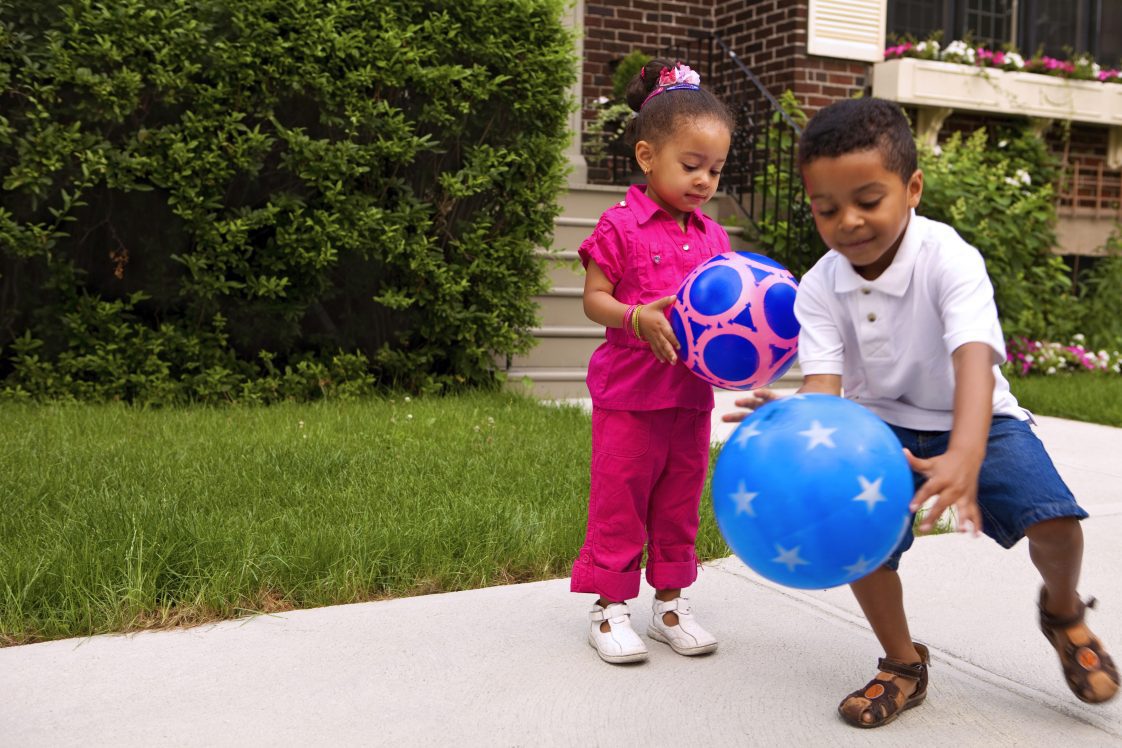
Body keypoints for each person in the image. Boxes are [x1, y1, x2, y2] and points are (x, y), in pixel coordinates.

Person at [725, 97, 1118, 724]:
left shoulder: (949, 258)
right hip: (875, 426)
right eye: (827, 209)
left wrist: (965, 452)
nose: (848, 221)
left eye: (867, 200)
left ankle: (1064, 612)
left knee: (1057, 521)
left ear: (911, 189)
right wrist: (791, 424)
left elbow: (972, 360)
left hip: (981, 418)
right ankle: (903, 662)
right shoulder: (823, 284)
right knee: (863, 546)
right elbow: (825, 386)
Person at [570, 59, 735, 664]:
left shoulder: (714, 238)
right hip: (629, 397)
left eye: (714, 170)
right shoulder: (620, 226)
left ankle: (669, 604)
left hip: (689, 397)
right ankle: (609, 607)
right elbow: (594, 299)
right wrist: (635, 315)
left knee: (678, 500)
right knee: (621, 499)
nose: (704, 181)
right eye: (690, 166)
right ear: (647, 157)